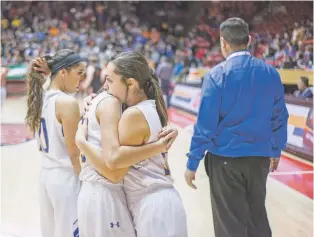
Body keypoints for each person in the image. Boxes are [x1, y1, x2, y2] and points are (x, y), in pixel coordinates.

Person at [185, 18, 289, 237]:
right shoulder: (271, 74)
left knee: (229, 226)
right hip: (259, 159)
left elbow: (205, 125)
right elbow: (280, 117)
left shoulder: (216, 76)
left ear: (223, 43)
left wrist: (192, 162)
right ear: (249, 40)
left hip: (225, 160)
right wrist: (275, 150)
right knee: (257, 220)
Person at [76, 51, 188, 237]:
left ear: (131, 82)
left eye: (110, 81)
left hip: (152, 205)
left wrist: (80, 141)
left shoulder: (133, 115)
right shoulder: (152, 106)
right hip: (161, 201)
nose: (105, 86)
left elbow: (114, 160)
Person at [25, 49, 87, 237]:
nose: (82, 79)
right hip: (66, 179)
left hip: (46, 177)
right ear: (63, 73)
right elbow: (74, 153)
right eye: (79, 73)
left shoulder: (39, 97)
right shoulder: (67, 103)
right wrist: (87, 184)